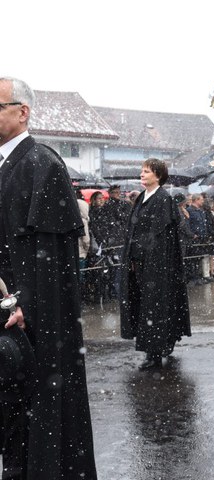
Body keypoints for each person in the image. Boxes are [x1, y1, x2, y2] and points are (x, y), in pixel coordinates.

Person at [0, 76, 97, 478]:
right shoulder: (7, 163)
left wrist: (20, 302)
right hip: (8, 307)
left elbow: (49, 261)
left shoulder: (42, 163)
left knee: (40, 407)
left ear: (22, 112)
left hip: (32, 317)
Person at [120, 158, 190, 370]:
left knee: (155, 307)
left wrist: (151, 260)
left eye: (147, 172)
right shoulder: (142, 197)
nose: (142, 175)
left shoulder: (162, 199)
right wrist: (132, 258)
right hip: (141, 263)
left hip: (157, 266)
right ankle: (158, 346)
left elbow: (160, 236)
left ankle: (155, 352)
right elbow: (134, 231)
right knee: (144, 305)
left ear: (158, 176)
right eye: (141, 171)